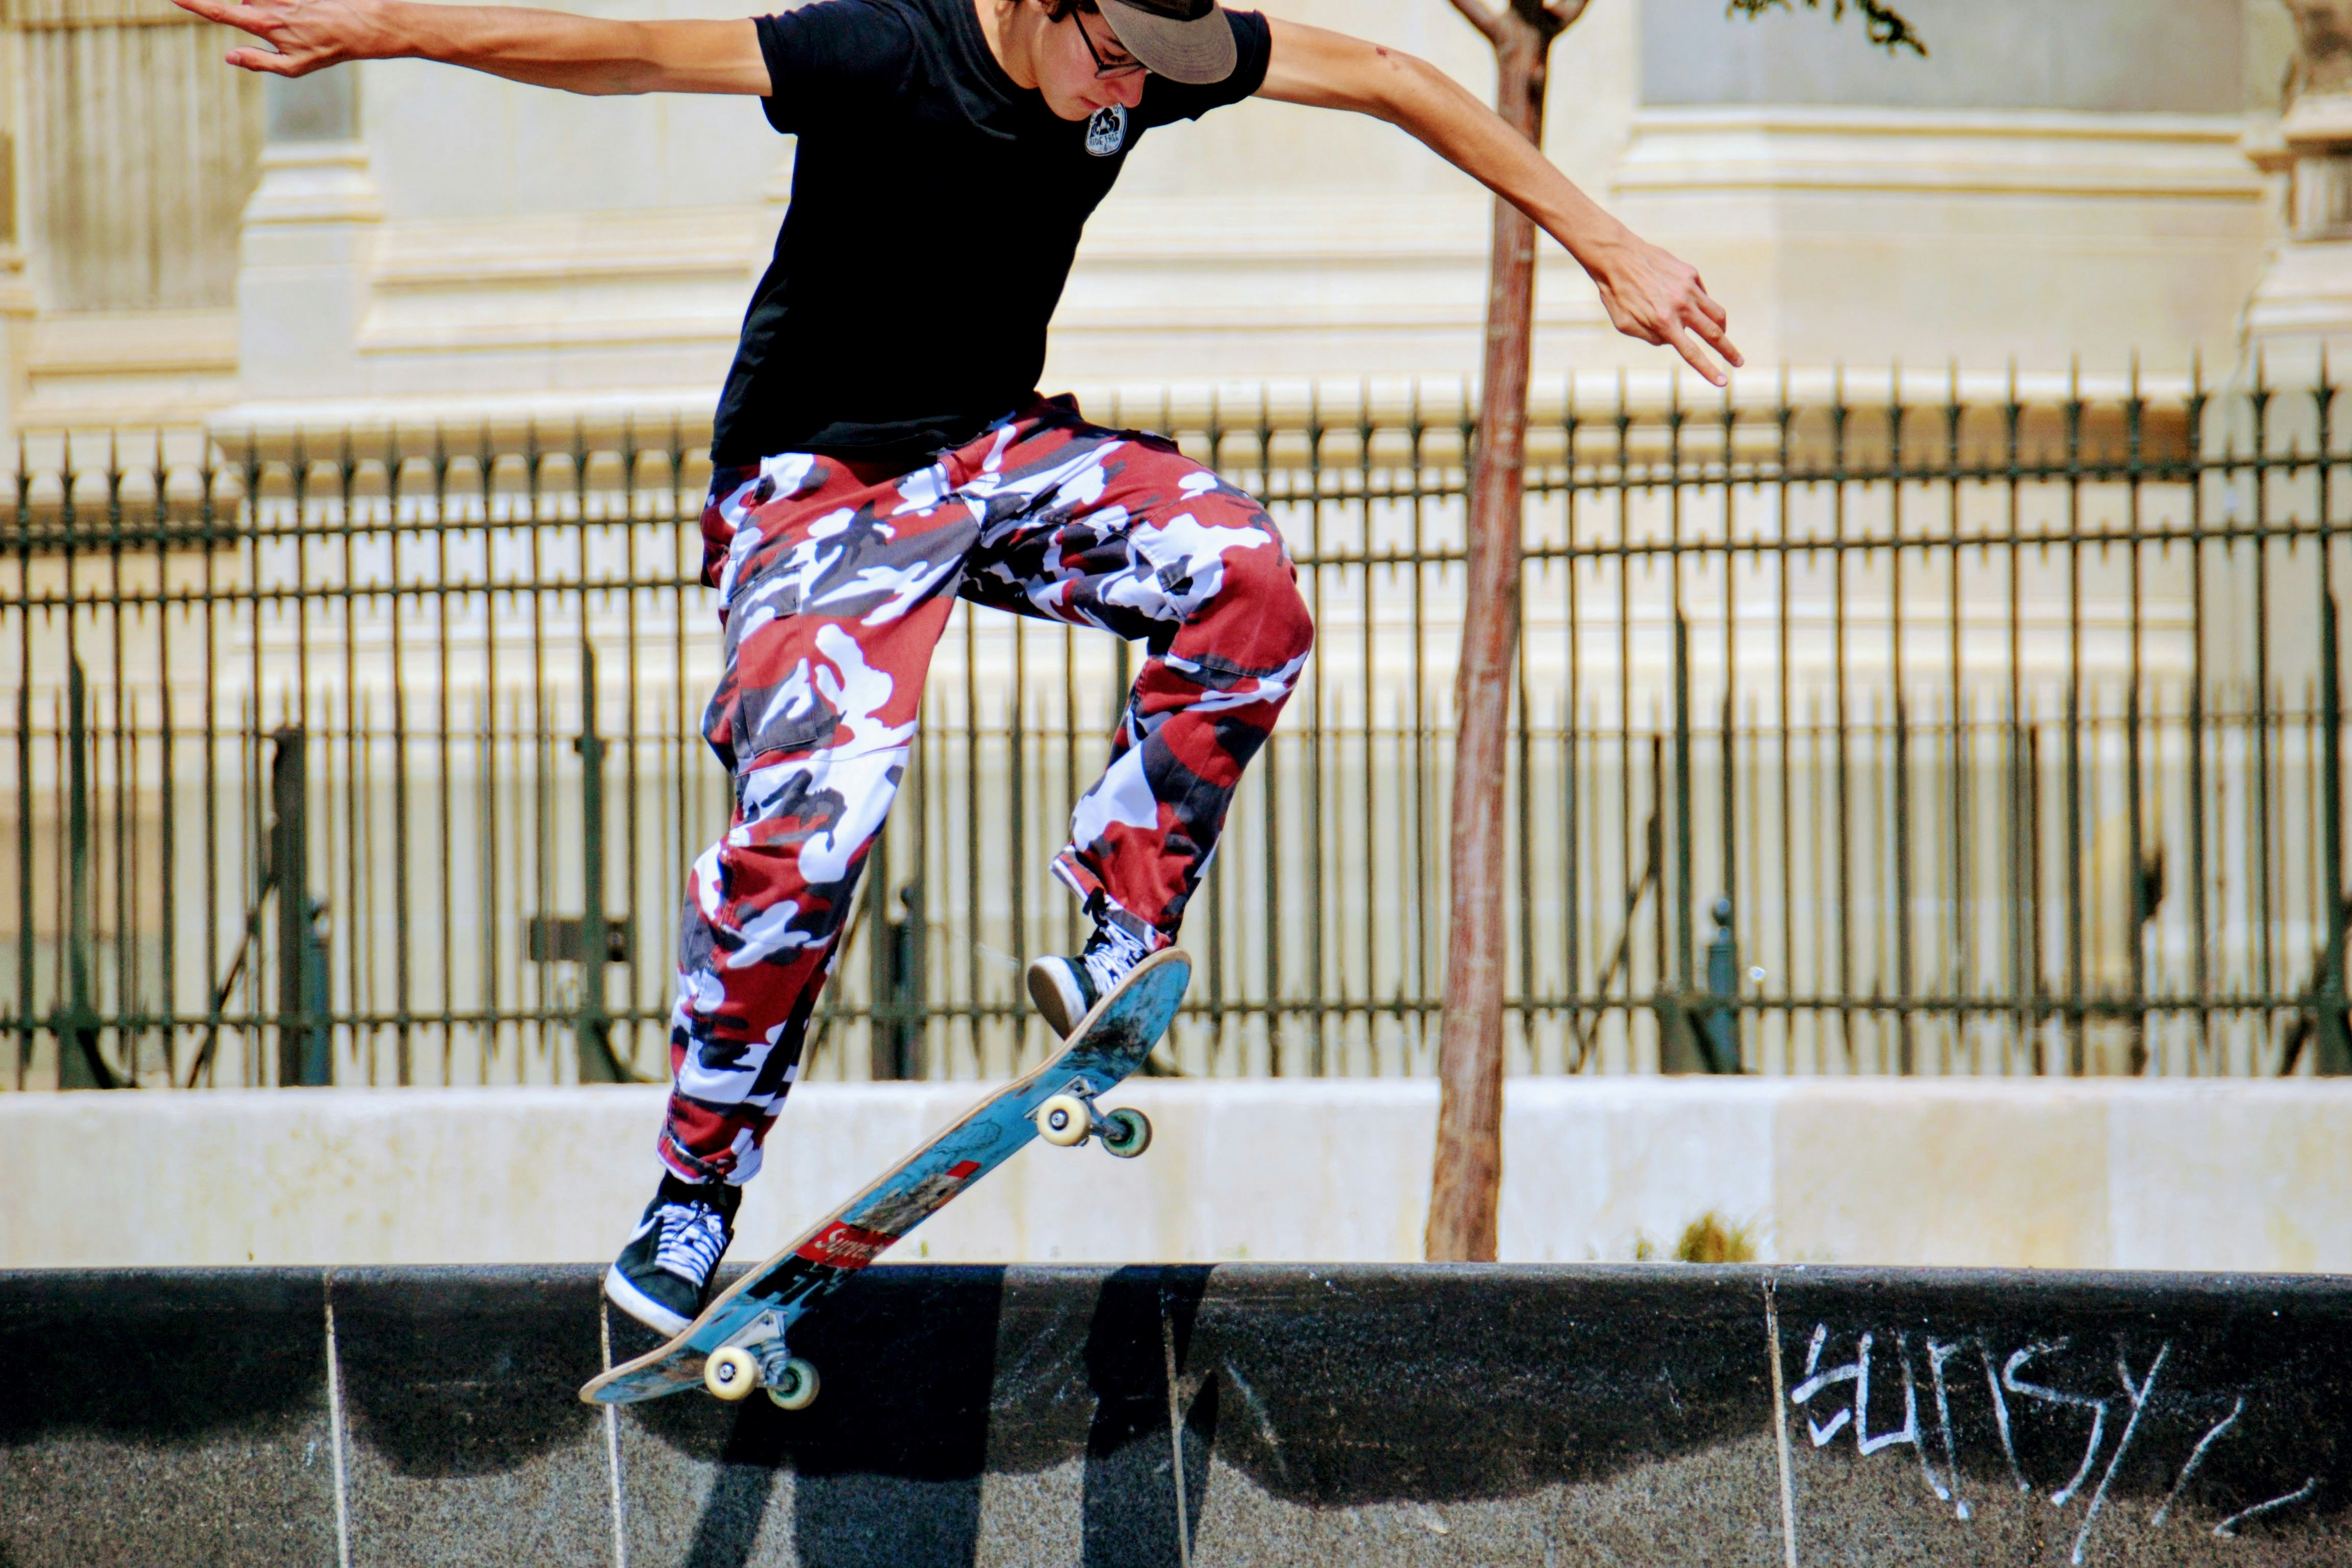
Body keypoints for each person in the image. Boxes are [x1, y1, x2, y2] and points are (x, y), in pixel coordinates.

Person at [180, 0, 1742, 1336]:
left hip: (998, 457)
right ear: (1042, 3)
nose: (1134, 96)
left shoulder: (1153, 48)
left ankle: (1117, 918)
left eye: (1153, 72)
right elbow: (628, 53)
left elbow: (1399, 78)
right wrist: (373, 29)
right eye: (1113, 64)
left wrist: (1610, 244)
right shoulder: (886, 48)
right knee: (824, 817)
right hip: (818, 490)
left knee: (1245, 581)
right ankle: (692, 1193)